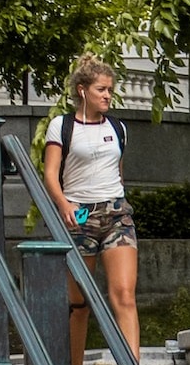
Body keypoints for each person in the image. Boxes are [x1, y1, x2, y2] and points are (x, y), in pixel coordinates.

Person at [41, 53, 139, 365]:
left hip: (115, 214)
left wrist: (118, 201)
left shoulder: (119, 128)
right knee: (78, 303)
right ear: (83, 90)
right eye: (101, 89)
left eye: (110, 89)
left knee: (124, 294)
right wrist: (64, 204)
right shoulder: (62, 126)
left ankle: (131, 362)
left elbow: (118, 172)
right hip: (79, 215)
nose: (108, 95)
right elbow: (50, 174)